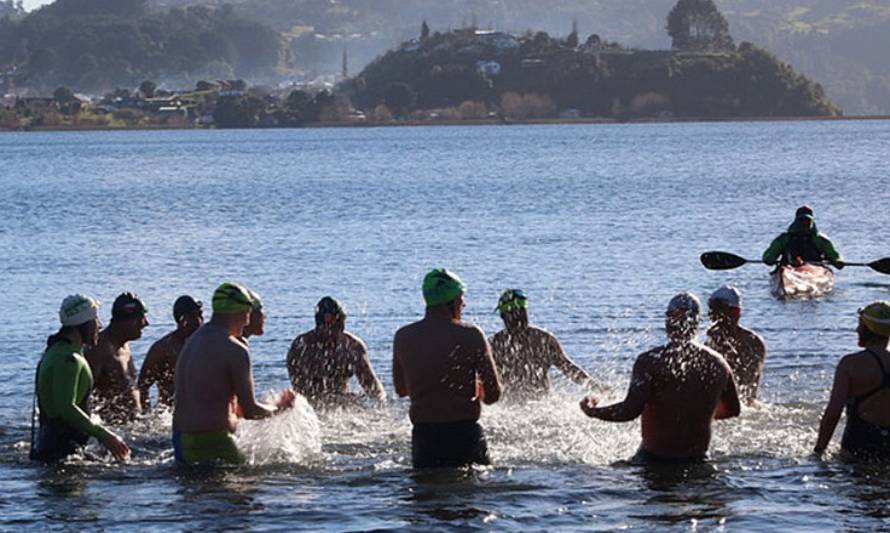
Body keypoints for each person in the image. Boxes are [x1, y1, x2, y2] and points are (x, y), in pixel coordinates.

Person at [579, 293, 741, 462]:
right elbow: (733, 410)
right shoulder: (719, 364)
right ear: (697, 323)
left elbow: (629, 411)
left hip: (654, 461)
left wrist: (593, 411)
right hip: (698, 460)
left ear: (667, 322)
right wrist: (695, 413)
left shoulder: (650, 361)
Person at [172, 282, 295, 465]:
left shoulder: (193, 341)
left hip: (180, 441)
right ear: (241, 312)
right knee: (246, 489)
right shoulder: (234, 349)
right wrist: (279, 409)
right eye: (247, 315)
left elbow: (214, 400)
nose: (247, 321)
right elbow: (251, 411)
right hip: (214, 442)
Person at [393, 269, 502, 468]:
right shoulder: (471, 334)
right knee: (470, 493)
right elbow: (493, 395)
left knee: (427, 494)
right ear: (450, 301)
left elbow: (401, 390)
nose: (464, 304)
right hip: (465, 434)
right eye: (461, 299)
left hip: (425, 438)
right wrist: (475, 388)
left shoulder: (403, 337)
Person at [31, 295, 129, 462]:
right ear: (84, 324)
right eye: (95, 319)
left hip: (51, 447)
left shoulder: (54, 351)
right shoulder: (69, 359)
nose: (99, 325)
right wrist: (106, 436)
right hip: (61, 453)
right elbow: (66, 408)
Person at [815, 301, 890, 460]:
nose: (856, 329)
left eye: (859, 325)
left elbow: (833, 413)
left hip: (857, 446)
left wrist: (818, 451)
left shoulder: (850, 364)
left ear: (867, 329)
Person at [489, 288, 594, 399]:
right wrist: (595, 387)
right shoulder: (542, 339)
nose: (519, 318)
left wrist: (594, 386)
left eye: (521, 313)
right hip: (540, 404)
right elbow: (569, 369)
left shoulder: (495, 344)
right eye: (516, 314)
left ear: (502, 317)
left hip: (515, 407)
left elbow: (569, 369)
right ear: (504, 317)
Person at [286, 296, 386, 407]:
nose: (332, 333)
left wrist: (380, 403)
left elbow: (372, 386)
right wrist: (336, 398)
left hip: (343, 406)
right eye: (327, 327)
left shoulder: (353, 347)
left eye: (338, 327)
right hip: (312, 407)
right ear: (318, 324)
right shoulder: (301, 347)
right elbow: (301, 391)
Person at [86, 292, 149, 424]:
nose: (145, 324)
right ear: (126, 321)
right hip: (112, 433)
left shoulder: (125, 345)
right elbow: (82, 398)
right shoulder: (99, 350)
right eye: (141, 318)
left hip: (133, 430)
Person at [137, 295, 203, 411]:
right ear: (183, 320)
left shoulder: (205, 345)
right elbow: (142, 386)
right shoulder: (163, 349)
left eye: (201, 314)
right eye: (196, 316)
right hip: (171, 417)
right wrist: (146, 417)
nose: (201, 320)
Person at [705, 286, 766, 405]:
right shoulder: (709, 341)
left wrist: (724, 352)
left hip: (744, 406)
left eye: (719, 310)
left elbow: (748, 380)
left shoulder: (753, 342)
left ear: (736, 312)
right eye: (711, 310)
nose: (713, 316)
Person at [762, 205, 844, 268]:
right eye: (802, 221)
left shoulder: (820, 239)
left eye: (808, 221)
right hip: (789, 268)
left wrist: (837, 261)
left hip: (814, 270)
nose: (805, 224)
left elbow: (833, 255)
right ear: (796, 221)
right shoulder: (784, 238)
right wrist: (769, 259)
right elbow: (770, 253)